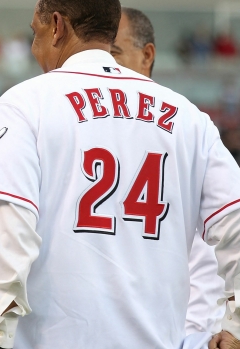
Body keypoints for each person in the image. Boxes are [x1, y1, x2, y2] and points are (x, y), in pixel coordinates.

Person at [0, 0, 240, 348]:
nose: (35, 46)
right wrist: (236, 325)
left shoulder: (27, 102)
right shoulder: (188, 116)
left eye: (36, 32)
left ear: (57, 26)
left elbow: (9, 226)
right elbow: (235, 222)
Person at [111, 7, 226, 344]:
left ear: (147, 56)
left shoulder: (188, 126)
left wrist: (196, 334)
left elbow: (216, 247)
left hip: (172, 329)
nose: (105, 66)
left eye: (115, 53)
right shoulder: (79, 125)